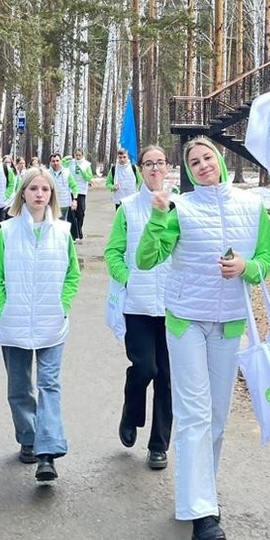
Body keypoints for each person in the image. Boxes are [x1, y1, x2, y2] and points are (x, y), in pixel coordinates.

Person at [136, 137, 270, 540]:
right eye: (193, 161)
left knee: (217, 416)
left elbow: (267, 259)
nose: (201, 165)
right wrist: (159, 218)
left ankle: (202, 494)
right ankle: (203, 513)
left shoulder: (252, 208)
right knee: (194, 414)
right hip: (186, 323)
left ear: (219, 158)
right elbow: (146, 259)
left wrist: (247, 266)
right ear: (186, 169)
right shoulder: (181, 208)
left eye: (207, 158)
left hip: (230, 324)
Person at [0, 167, 81, 482]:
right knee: (19, 388)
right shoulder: (6, 232)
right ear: (22, 193)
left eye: (46, 189)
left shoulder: (63, 232)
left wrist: (62, 305)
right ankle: (28, 437)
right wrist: (4, 310)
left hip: (52, 324)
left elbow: (72, 276)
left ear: (52, 195)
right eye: (34, 188)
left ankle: (47, 452)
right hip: (14, 327)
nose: (40, 194)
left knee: (49, 385)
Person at [103, 145, 176, 471]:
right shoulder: (129, 209)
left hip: (174, 306)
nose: (155, 169)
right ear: (140, 169)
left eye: (160, 163)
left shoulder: (180, 208)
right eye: (148, 164)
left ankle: (159, 445)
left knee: (168, 378)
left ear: (168, 167)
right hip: (138, 305)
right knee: (145, 368)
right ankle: (131, 412)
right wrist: (128, 278)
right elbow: (113, 253)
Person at [66, 148, 95, 241]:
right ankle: (74, 233)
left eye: (79, 155)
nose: (78, 157)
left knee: (80, 212)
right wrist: (66, 159)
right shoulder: (71, 163)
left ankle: (79, 228)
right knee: (72, 212)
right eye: (76, 155)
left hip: (81, 191)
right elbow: (62, 165)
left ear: (82, 155)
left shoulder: (86, 164)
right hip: (71, 190)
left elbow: (89, 178)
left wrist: (83, 171)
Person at [48, 153, 78, 221]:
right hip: (52, 203)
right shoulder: (47, 174)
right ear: (50, 162)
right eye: (53, 161)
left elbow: (74, 186)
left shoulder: (67, 172)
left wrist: (75, 200)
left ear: (61, 161)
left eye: (57, 160)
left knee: (62, 223)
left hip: (64, 203)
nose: (55, 163)